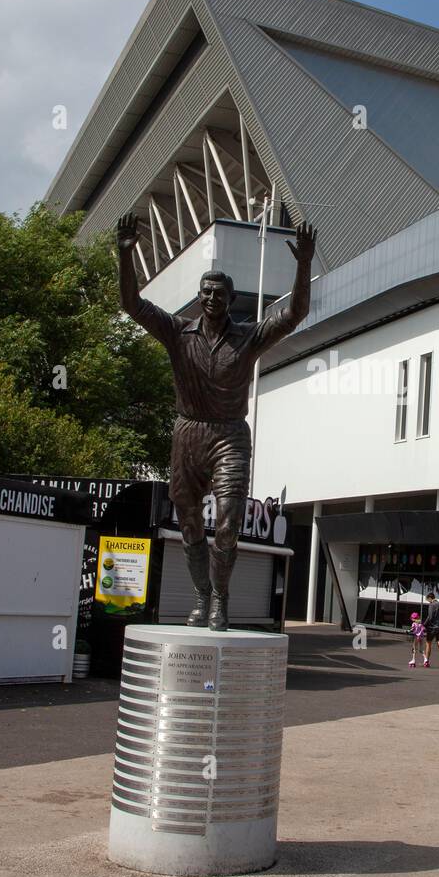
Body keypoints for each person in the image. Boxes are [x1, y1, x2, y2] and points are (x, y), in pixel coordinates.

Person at [116, 210, 316, 630]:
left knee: (226, 524)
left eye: (219, 293)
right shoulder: (177, 332)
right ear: (200, 295)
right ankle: (201, 595)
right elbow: (131, 305)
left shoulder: (249, 336)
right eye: (206, 292)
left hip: (229, 435)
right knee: (189, 524)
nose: (211, 299)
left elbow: (295, 314)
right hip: (187, 433)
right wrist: (125, 256)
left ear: (230, 298)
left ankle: (221, 599)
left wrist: (303, 265)